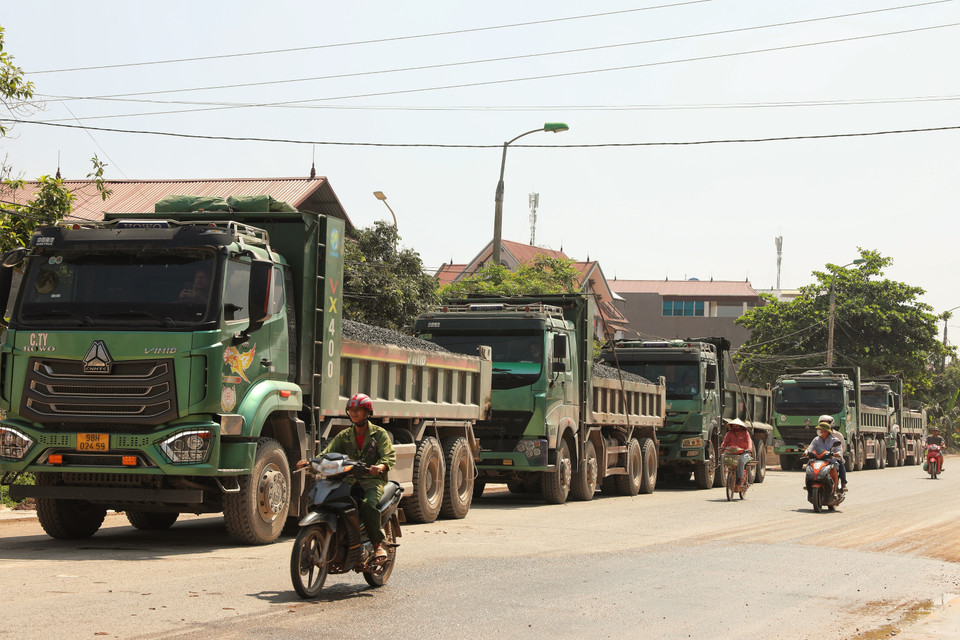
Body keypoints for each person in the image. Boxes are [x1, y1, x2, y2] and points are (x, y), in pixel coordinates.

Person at [307, 393, 396, 561]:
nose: (354, 413)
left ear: (367, 412)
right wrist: (311, 462)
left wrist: (380, 467)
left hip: (371, 481)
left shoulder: (379, 434)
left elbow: (389, 456)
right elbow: (327, 453)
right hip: (348, 480)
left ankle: (377, 545)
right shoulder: (345, 435)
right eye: (351, 410)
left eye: (358, 410)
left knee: (368, 506)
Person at [805, 420, 846, 492]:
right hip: (818, 460)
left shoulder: (834, 440)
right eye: (820, 430)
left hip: (831, 461)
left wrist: (837, 454)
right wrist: (806, 452)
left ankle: (836, 489)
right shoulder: (816, 439)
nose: (821, 431)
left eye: (822, 430)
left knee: (834, 468)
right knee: (809, 466)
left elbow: (839, 450)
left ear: (827, 431)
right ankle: (807, 484)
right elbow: (810, 447)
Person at [720, 418, 754, 489]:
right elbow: (725, 442)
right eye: (734, 426)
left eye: (737, 426)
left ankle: (740, 478)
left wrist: (749, 450)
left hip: (744, 453)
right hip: (732, 453)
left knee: (741, 460)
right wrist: (722, 447)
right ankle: (729, 472)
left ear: (740, 427)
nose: (735, 427)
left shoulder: (745, 433)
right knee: (724, 457)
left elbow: (749, 442)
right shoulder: (729, 433)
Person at [818, 414, 848, 491]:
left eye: (827, 423)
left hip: (833, 458)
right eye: (822, 423)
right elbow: (813, 446)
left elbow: (842, 448)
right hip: (821, 458)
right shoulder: (818, 435)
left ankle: (843, 484)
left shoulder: (838, 435)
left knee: (841, 465)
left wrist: (837, 454)